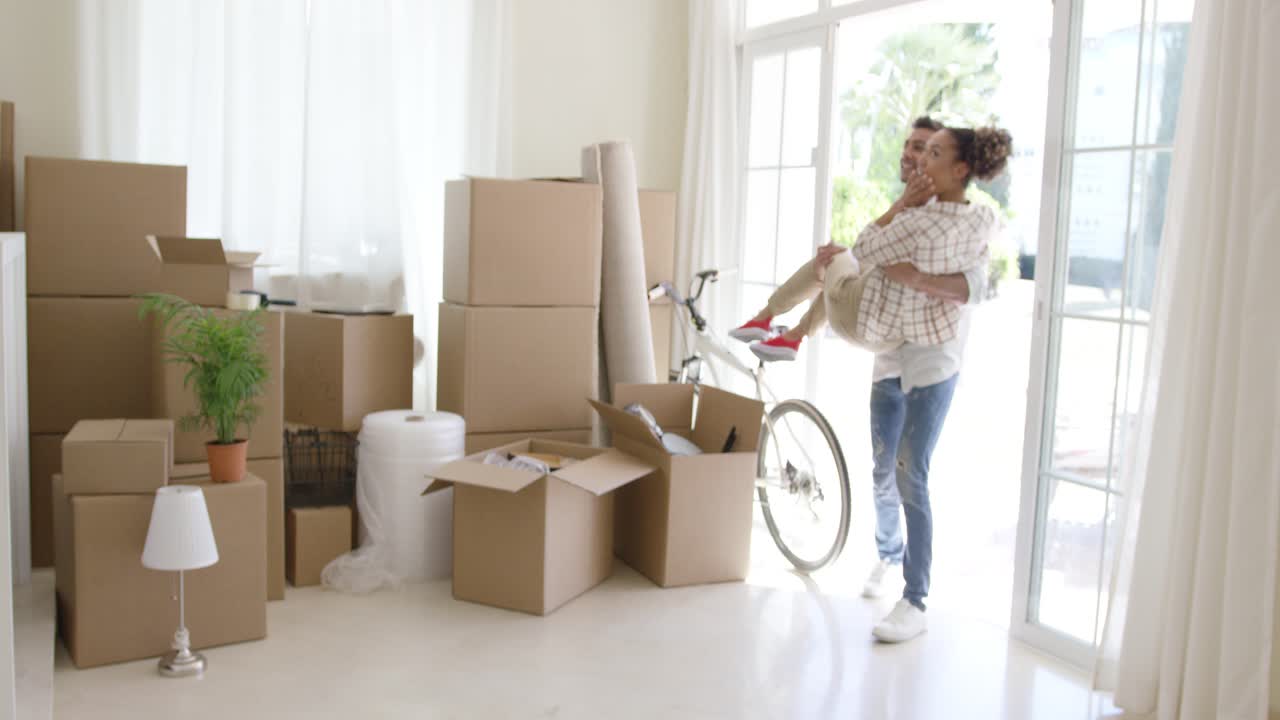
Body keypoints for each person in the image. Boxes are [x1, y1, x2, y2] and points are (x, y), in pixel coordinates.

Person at [732, 121, 1014, 643]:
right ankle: (888, 553)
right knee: (884, 471)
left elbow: (972, 284)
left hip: (934, 359)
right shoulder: (921, 213)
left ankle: (915, 598)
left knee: (911, 470)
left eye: (930, 151)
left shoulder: (961, 221)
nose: (917, 158)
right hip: (889, 353)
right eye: (915, 148)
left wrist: (916, 274)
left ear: (959, 168)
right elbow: (874, 258)